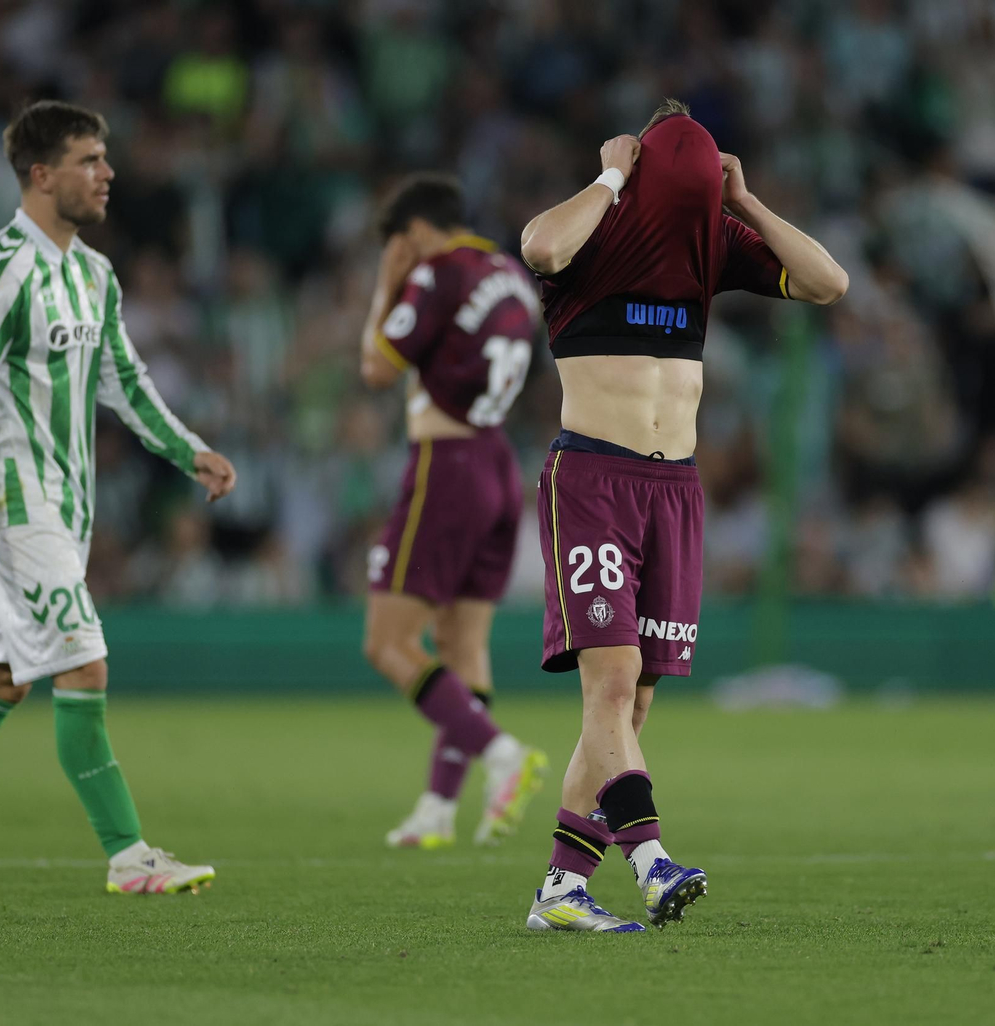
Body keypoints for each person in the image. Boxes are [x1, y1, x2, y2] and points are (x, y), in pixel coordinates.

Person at [0, 101, 238, 895]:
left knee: (1, 679)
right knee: (86, 663)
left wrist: (190, 450)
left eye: (105, 159)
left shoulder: (91, 273)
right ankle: (129, 855)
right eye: (90, 160)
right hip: (12, 503)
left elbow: (125, 382)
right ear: (41, 176)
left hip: (68, 508)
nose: (108, 175)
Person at [517, 100, 848, 931]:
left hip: (676, 490)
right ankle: (651, 860)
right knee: (612, 684)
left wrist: (747, 203)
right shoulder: (594, 230)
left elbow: (826, 281)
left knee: (632, 707)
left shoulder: (712, 244)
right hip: (594, 477)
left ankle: (561, 887)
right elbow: (539, 246)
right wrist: (609, 174)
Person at [358, 173, 548, 850]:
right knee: (462, 643)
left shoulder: (436, 273)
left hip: (447, 464)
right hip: (499, 463)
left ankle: (501, 755)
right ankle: (439, 809)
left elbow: (377, 369)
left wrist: (387, 285)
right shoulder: (511, 275)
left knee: (387, 642)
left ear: (410, 235)